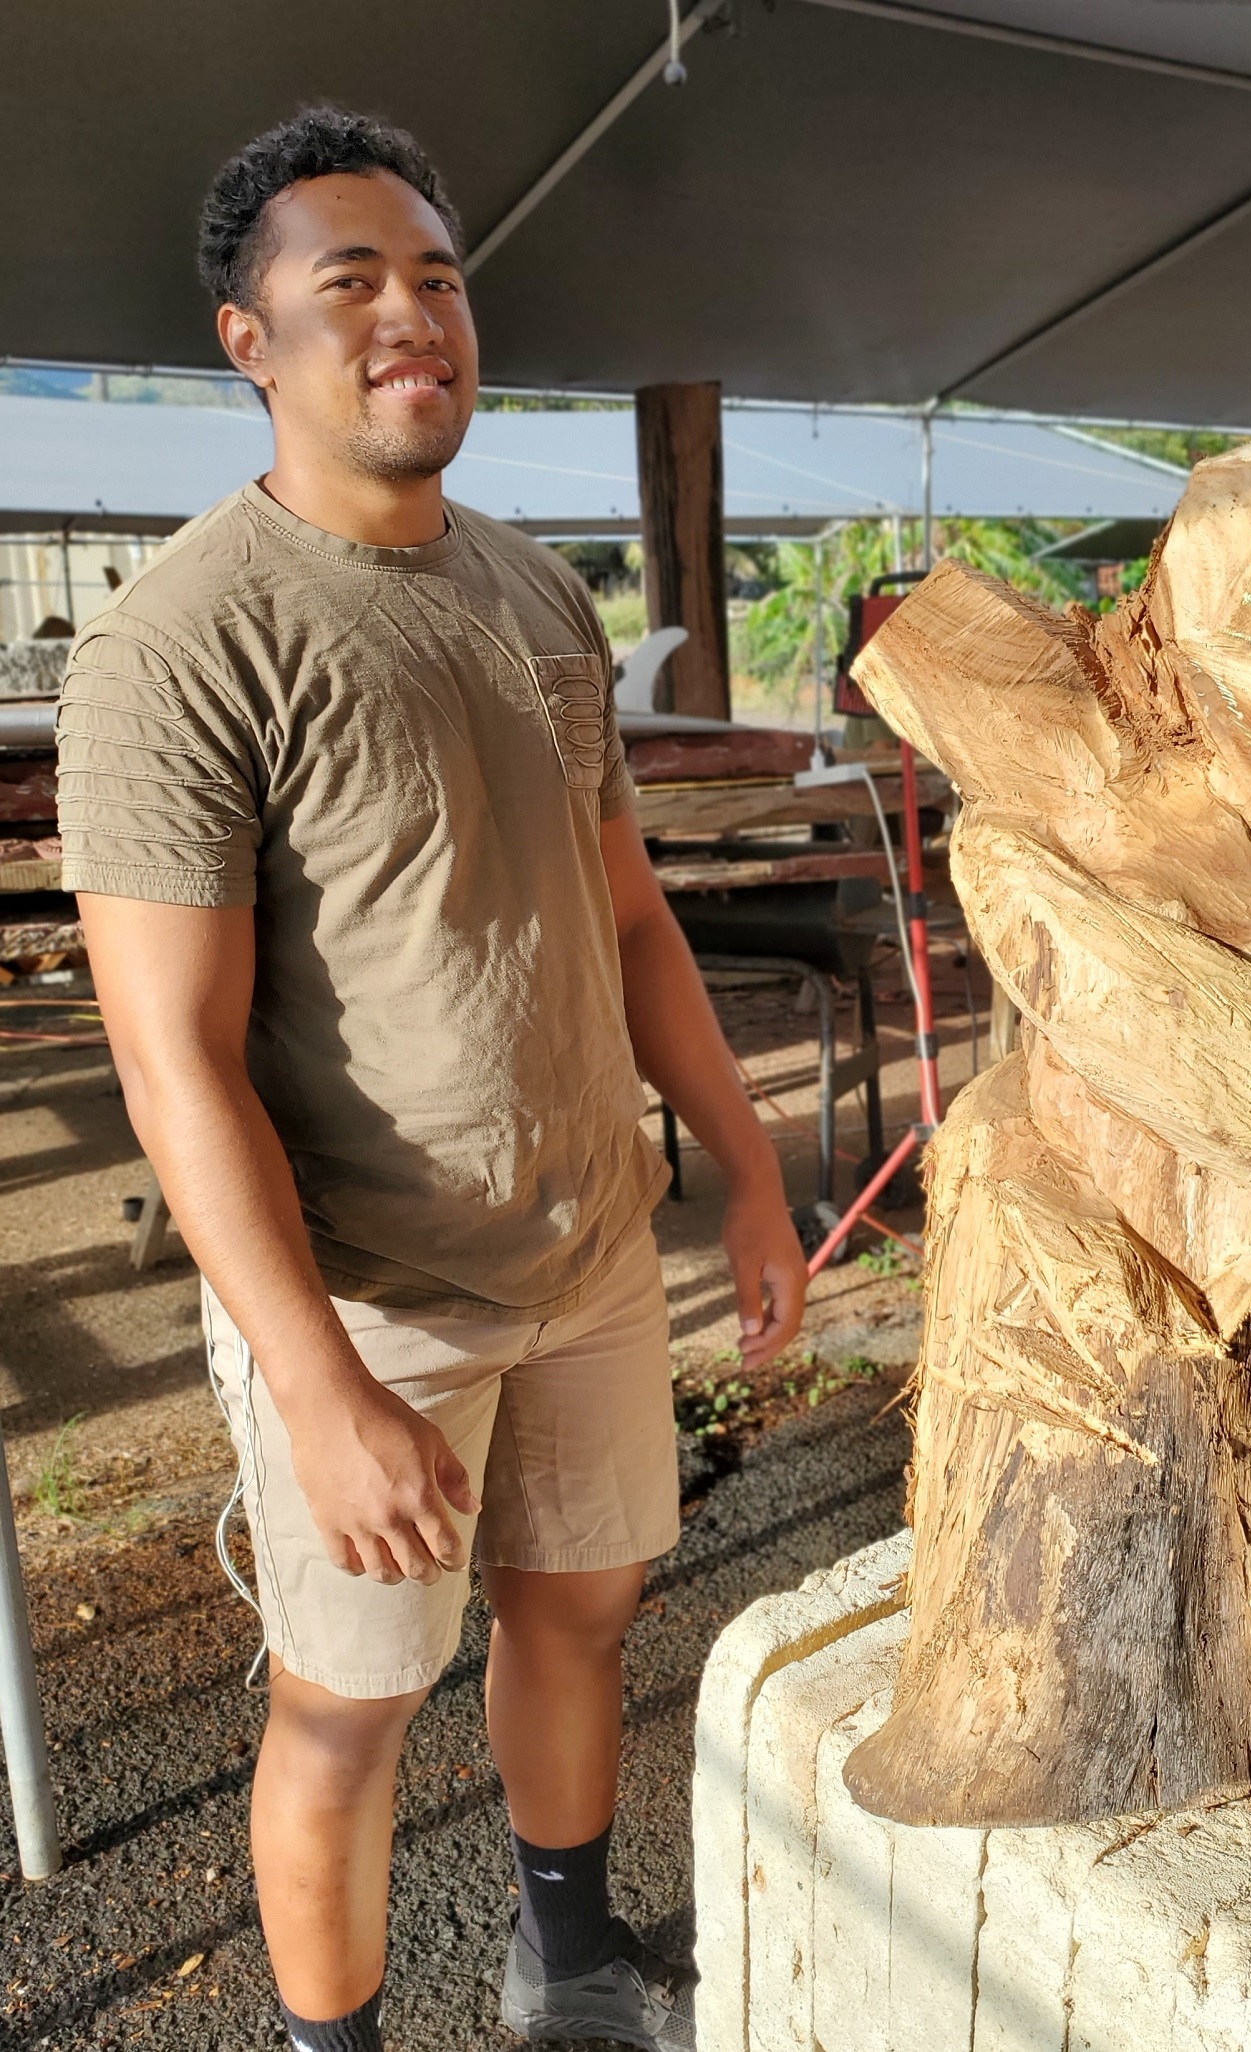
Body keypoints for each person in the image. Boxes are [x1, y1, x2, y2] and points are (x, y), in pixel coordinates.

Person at [58, 107, 807, 2052]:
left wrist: (738, 1165)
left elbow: (630, 917)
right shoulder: (181, 642)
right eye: (353, 284)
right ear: (252, 342)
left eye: (439, 278)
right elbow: (170, 1060)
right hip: (370, 1298)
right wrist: (311, 1389)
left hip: (587, 1249)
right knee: (346, 1700)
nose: (413, 316)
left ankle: (565, 1956)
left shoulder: (536, 596)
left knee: (581, 1607)